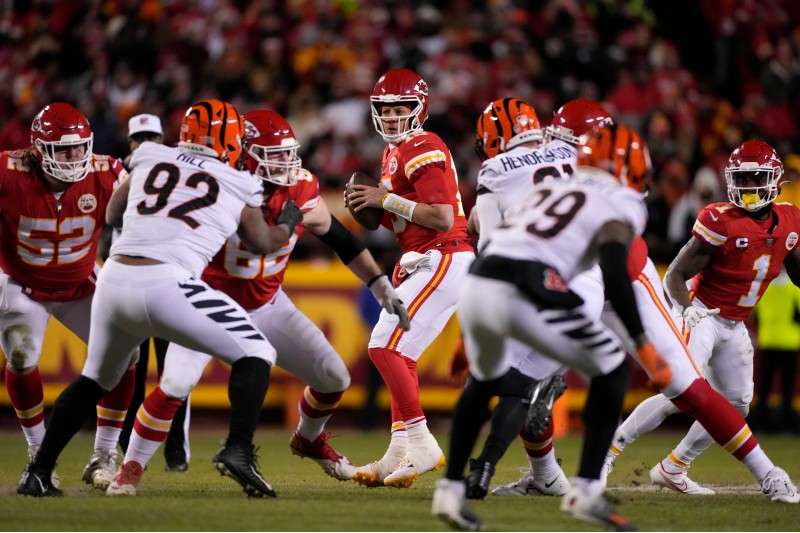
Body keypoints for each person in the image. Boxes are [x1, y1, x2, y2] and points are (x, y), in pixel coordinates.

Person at [108, 109, 409, 494]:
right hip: (204, 301)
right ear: (245, 154)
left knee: (334, 377)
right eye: (274, 154)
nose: (286, 163)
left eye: (288, 154)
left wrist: (380, 286)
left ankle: (308, 439)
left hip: (266, 303)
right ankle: (129, 470)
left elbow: (341, 239)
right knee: (175, 383)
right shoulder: (221, 183)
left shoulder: (299, 187)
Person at [17, 98, 302, 498]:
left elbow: (114, 214)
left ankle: (38, 472)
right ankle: (238, 450)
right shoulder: (237, 181)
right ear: (234, 141)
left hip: (116, 277)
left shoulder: (150, 156)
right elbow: (261, 243)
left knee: (94, 379)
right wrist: (289, 223)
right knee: (256, 351)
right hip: (169, 280)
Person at [432, 143, 668, 530]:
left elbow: (498, 241)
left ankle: (450, 491)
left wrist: (467, 336)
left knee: (483, 381)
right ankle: (586, 490)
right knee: (611, 368)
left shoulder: (545, 190)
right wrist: (642, 342)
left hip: (480, 281)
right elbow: (613, 271)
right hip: (531, 283)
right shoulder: (622, 202)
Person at [603, 140, 800, 501]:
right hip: (702, 313)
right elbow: (674, 275)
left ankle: (674, 466)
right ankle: (608, 453)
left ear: (774, 180)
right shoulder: (720, 220)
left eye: (756, 178)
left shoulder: (790, 220)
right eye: (742, 179)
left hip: (735, 323)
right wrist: (688, 308)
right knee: (681, 391)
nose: (748, 187)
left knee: (737, 403)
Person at [345, 68, 475, 488]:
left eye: (402, 108)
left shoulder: (422, 144)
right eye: (386, 109)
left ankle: (420, 443)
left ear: (420, 109)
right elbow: (406, 222)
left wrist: (387, 199)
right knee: (401, 355)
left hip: (444, 255)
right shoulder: (393, 153)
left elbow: (440, 217)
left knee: (383, 345)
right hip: (427, 256)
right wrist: (378, 210)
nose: (394, 115)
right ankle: (399, 451)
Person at [0, 102, 137, 491]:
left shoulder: (107, 172)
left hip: (79, 282)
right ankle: (38, 453)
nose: (74, 157)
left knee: (125, 355)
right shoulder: (8, 173)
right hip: (22, 283)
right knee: (22, 356)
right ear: (39, 149)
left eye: (80, 148)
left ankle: (103, 454)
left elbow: (148, 209)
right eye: (63, 149)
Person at [461, 97, 575, 500]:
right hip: (593, 280)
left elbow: (493, 248)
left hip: (533, 281)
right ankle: (537, 473)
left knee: (495, 379)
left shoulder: (495, 170)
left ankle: (477, 469)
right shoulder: (569, 150)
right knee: (525, 380)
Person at [115, 113, 191, 473]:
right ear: (129, 143)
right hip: (128, 283)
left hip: (167, 280)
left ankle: (176, 449)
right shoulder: (117, 174)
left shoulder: (176, 175)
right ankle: (125, 443)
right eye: (139, 139)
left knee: (172, 371)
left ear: (163, 139)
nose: (145, 143)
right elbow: (108, 219)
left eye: (151, 137)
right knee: (131, 369)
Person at [751, 269, 800, 433]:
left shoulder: (764, 287)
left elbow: (755, 315)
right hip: (789, 342)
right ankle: (786, 425)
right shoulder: (794, 289)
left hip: (767, 341)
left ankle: (761, 423)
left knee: (763, 386)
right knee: (787, 388)